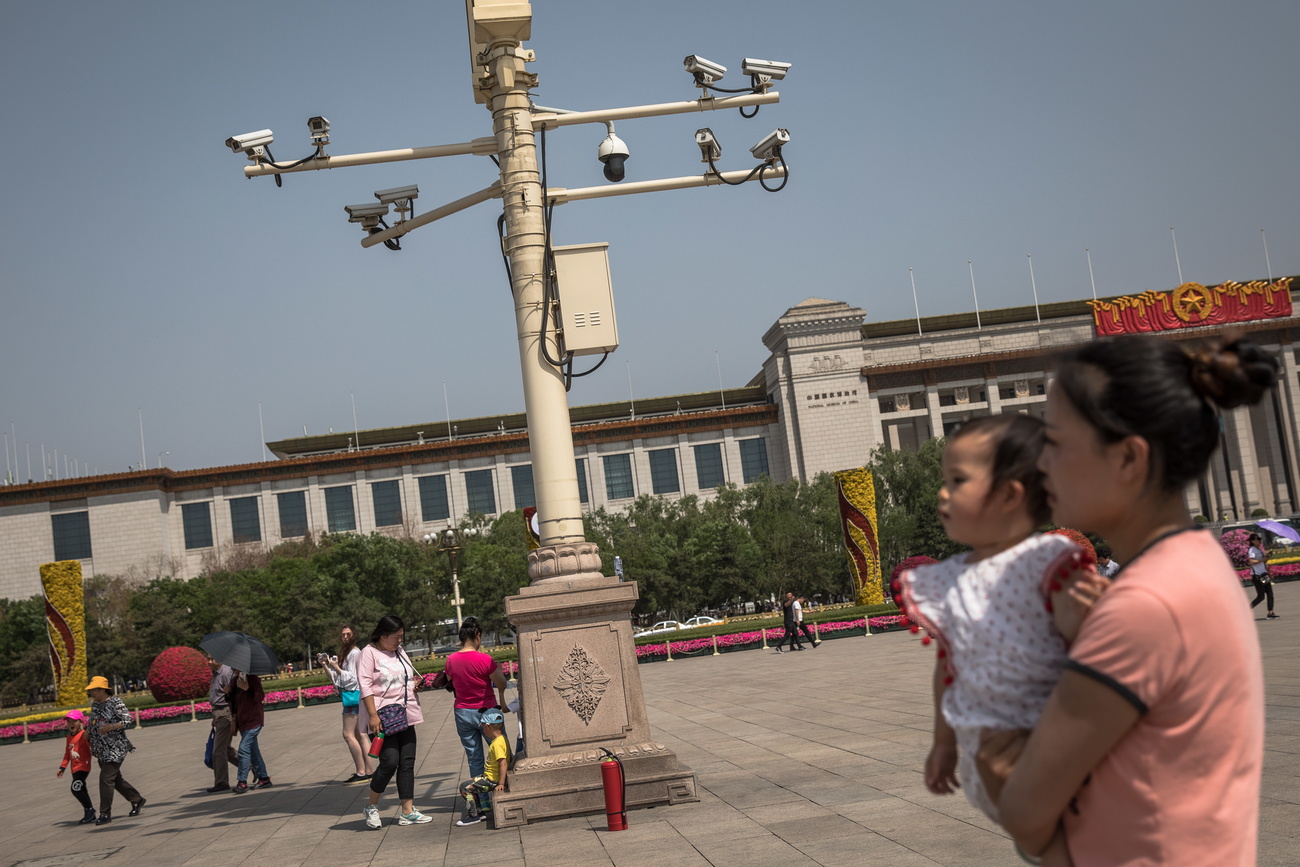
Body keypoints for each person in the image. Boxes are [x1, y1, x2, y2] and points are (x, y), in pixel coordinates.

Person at [976, 333, 1275, 865]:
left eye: (1056, 443)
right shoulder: (1197, 567)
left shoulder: (1143, 607)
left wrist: (1003, 777)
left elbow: (1024, 808)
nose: (1040, 464)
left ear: (1128, 458)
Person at [896, 414, 1101, 831]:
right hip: (986, 752)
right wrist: (943, 743)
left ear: (1009, 495)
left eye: (958, 481)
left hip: (1044, 742)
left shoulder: (1046, 567)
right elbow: (947, 668)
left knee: (1065, 839)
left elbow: (1085, 641)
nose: (943, 493)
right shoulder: (951, 581)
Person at [358, 614, 432, 828]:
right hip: (382, 717)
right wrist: (373, 715)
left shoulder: (399, 651)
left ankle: (408, 810)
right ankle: (371, 805)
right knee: (390, 761)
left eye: (402, 636)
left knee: (407, 762)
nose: (400, 640)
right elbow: (365, 686)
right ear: (383, 635)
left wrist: (415, 685)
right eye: (397, 636)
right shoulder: (368, 653)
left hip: (405, 713)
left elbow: (406, 676)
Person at [444, 617, 510, 779]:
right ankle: (505, 787)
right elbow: (501, 684)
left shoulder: (450, 660)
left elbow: (450, 682)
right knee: (501, 752)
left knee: (474, 758)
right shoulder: (485, 660)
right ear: (477, 635)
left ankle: (483, 800)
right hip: (487, 712)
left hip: (462, 712)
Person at [85, 676, 145, 825]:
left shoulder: (115, 702)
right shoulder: (95, 705)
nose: (92, 692)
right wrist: (88, 731)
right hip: (100, 748)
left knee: (105, 779)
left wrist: (111, 727)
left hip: (115, 748)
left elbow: (127, 719)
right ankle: (136, 799)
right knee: (115, 780)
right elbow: (93, 720)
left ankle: (105, 813)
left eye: (94, 689)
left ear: (102, 689)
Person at [322, 624, 372, 783]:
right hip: (353, 695)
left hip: (353, 696)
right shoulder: (348, 653)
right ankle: (368, 770)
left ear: (354, 635)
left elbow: (350, 678)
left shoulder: (355, 653)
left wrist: (336, 667)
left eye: (348, 634)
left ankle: (362, 771)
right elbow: (337, 680)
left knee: (348, 734)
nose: (345, 637)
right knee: (360, 734)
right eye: (343, 634)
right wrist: (325, 665)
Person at [455, 708, 512, 826]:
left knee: (464, 788)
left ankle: (474, 815)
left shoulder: (496, 744)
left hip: (492, 780)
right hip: (490, 777)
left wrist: (501, 783)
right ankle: (479, 812)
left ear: (487, 727)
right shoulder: (502, 739)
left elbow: (503, 763)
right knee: (470, 783)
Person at [226, 668, 271, 793]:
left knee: (243, 749)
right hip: (242, 721)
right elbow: (233, 702)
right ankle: (264, 778)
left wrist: (248, 689)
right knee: (253, 750)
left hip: (254, 720)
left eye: (234, 666)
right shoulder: (235, 681)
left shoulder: (252, 678)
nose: (232, 669)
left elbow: (260, 696)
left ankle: (242, 782)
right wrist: (228, 693)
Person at [204, 655, 239, 792]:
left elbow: (232, 695)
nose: (210, 662)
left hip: (225, 713)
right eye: (208, 659)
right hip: (218, 713)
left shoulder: (225, 673)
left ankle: (221, 782)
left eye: (213, 659)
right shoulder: (216, 674)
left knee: (218, 750)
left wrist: (233, 716)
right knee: (225, 749)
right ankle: (251, 766)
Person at [57, 709, 96, 825]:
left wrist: (88, 737)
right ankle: (89, 813)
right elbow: (67, 754)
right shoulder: (69, 737)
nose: (71, 724)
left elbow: (91, 744)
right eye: (68, 722)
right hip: (74, 768)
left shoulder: (83, 734)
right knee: (82, 788)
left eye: (73, 721)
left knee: (75, 788)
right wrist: (62, 767)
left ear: (80, 722)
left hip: (83, 767)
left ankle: (90, 809)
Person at [1247, 532, 1279, 619]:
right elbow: (1251, 561)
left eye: (1260, 539)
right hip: (1257, 576)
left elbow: (1262, 561)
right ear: (1252, 541)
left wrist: (1267, 557)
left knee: (1270, 593)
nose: (1260, 541)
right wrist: (1262, 559)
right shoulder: (1252, 550)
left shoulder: (1259, 549)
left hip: (1263, 574)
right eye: (1258, 539)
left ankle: (1270, 612)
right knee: (1261, 596)